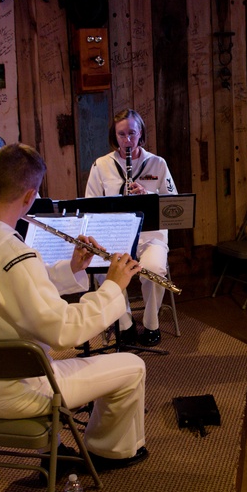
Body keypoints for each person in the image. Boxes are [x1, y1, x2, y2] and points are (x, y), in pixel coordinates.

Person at [0, 144, 149, 471]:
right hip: (17, 391)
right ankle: (106, 452)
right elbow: (64, 331)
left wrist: (72, 268)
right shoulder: (13, 253)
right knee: (132, 367)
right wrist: (113, 286)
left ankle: (62, 450)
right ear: (29, 196)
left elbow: (8, 291)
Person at [86, 109, 177, 347]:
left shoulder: (157, 164)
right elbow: (90, 204)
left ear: (141, 134)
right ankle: (124, 325)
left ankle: (151, 324)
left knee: (155, 268)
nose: (127, 140)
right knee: (105, 268)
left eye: (132, 133)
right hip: (116, 235)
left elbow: (174, 203)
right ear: (114, 136)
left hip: (151, 235)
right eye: (121, 134)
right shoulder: (101, 165)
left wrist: (148, 195)